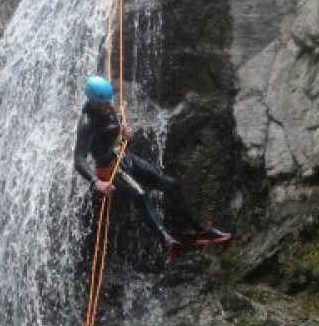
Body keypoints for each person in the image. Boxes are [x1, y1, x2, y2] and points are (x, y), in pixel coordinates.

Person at [73, 75, 231, 260]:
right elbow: (79, 159)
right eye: (102, 104)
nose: (107, 106)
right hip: (108, 168)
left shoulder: (106, 107)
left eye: (108, 102)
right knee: (141, 195)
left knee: (171, 184)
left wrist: (123, 133)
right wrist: (95, 182)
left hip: (124, 157)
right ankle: (168, 241)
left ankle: (200, 229)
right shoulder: (86, 123)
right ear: (92, 102)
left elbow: (113, 131)